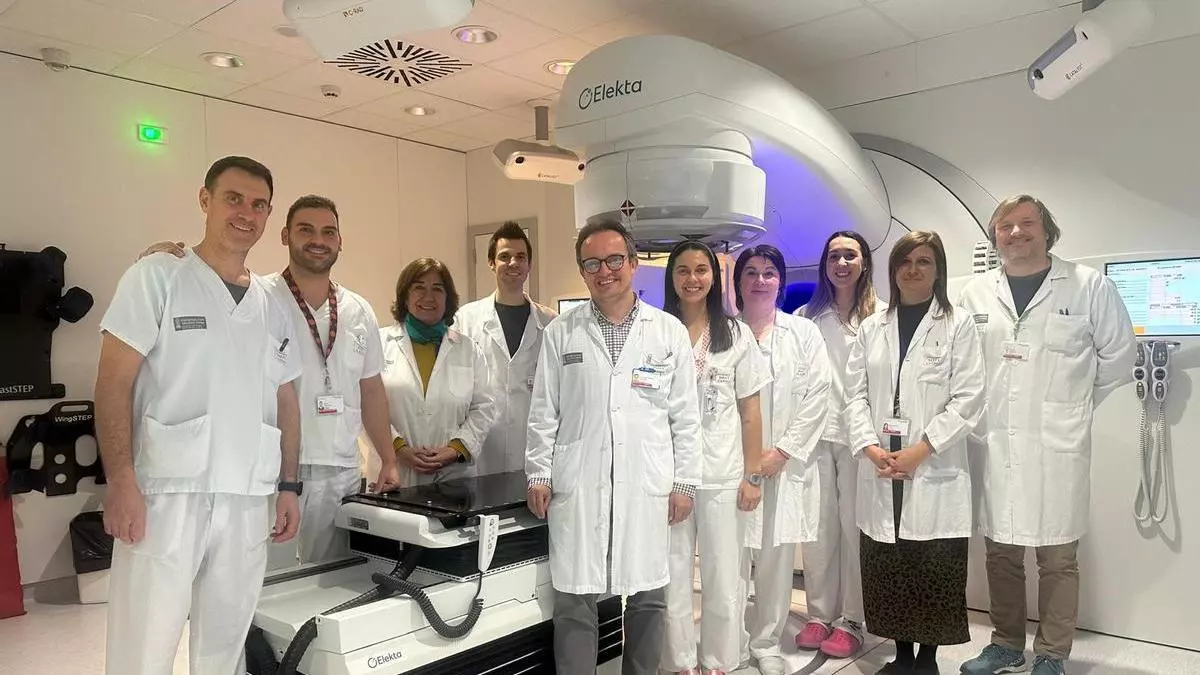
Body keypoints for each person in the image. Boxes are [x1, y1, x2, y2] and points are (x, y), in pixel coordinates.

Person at [96, 156, 303, 674]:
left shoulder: (273, 303)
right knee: (143, 647)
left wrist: (289, 485)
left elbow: (286, 401)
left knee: (225, 649)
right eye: (233, 198)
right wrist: (120, 479)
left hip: (248, 498)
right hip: (166, 493)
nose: (246, 213)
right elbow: (113, 382)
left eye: (259, 205)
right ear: (205, 200)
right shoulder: (157, 277)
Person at [135, 195, 402, 566]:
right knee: (267, 581)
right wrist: (164, 260)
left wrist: (388, 458)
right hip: (272, 473)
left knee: (334, 579)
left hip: (340, 471)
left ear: (340, 241)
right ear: (285, 236)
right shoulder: (259, 297)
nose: (318, 240)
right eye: (305, 230)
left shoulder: (358, 311)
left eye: (328, 232)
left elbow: (371, 391)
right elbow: (204, 286)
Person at [958, 196, 1137, 675]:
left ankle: (1053, 654)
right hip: (994, 442)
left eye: (1026, 223)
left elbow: (1119, 356)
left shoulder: (1087, 286)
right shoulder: (975, 293)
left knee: (1058, 558)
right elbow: (962, 364)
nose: (1016, 232)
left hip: (1056, 444)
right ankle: (1005, 645)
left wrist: (1070, 404)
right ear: (995, 236)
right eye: (1005, 226)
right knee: (1000, 554)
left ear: (1047, 231)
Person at [525, 222, 701, 675]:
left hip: (646, 482)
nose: (604, 271)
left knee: (648, 596)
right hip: (578, 482)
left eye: (614, 260)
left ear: (633, 263)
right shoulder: (561, 333)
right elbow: (544, 410)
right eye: (592, 263)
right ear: (582, 271)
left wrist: (684, 483)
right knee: (574, 599)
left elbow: (686, 417)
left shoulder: (667, 332)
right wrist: (539, 473)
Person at [844, 230, 986, 675]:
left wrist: (921, 450)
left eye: (923, 261)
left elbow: (969, 398)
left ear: (938, 269)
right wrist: (871, 448)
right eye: (904, 261)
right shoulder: (872, 327)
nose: (913, 269)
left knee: (933, 566)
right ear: (893, 270)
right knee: (888, 566)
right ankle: (902, 656)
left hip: (930, 465)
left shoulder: (958, 324)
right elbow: (853, 395)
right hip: (881, 467)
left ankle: (927, 660)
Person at [661, 241, 771, 675]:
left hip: (723, 474)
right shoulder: (657, 331)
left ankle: (719, 662)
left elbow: (751, 412)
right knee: (671, 575)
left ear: (714, 277)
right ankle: (679, 663)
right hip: (668, 476)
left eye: (701, 270)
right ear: (671, 277)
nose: (692, 279)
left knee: (724, 577)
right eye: (683, 270)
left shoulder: (736, 335)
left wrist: (753, 476)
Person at [734, 244, 831, 675]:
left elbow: (818, 395)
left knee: (775, 557)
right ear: (738, 282)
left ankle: (766, 642)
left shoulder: (803, 333)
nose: (760, 280)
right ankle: (731, 639)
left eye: (769, 272)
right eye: (751, 272)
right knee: (731, 557)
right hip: (733, 466)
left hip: (783, 464)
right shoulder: (724, 333)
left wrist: (783, 451)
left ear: (780, 282)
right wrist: (747, 462)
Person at [795, 231, 882, 659]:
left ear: (864, 262)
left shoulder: (881, 316)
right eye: (834, 256)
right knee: (818, 529)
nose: (841, 263)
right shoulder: (806, 316)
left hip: (859, 438)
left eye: (850, 255)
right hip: (815, 435)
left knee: (854, 528)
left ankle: (852, 619)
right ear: (824, 265)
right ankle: (819, 614)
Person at [379, 257, 497, 485]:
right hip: (395, 475)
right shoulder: (380, 344)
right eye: (419, 288)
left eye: (437, 289)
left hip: (453, 478)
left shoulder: (468, 350)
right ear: (405, 296)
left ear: (447, 298)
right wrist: (398, 448)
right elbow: (366, 405)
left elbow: (484, 407)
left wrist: (456, 448)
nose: (428, 297)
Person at [453, 221, 556, 475]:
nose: (513, 263)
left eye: (521, 257)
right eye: (504, 256)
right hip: (481, 446)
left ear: (529, 264)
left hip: (532, 449)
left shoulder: (550, 323)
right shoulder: (466, 320)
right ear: (491, 263)